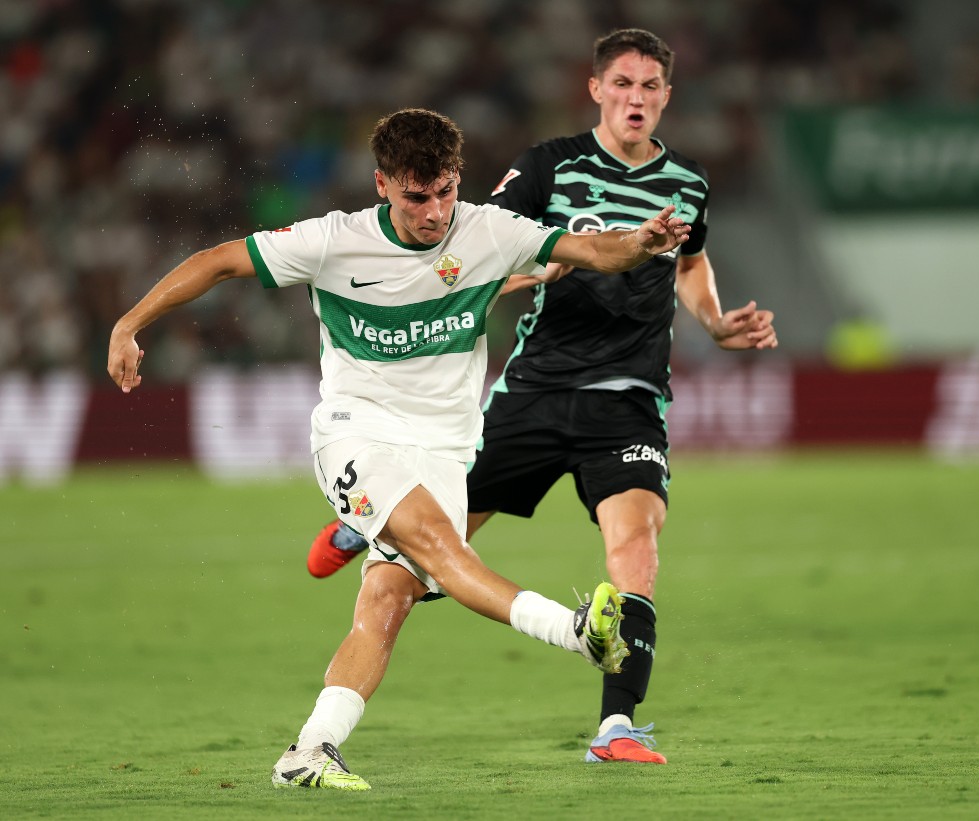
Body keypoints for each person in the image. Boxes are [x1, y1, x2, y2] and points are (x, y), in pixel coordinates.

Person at [106, 107, 694, 790]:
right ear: (383, 183)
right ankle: (577, 632)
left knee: (387, 602)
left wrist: (646, 240)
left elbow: (595, 251)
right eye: (417, 195)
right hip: (358, 431)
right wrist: (129, 322)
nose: (435, 210)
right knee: (446, 552)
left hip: (444, 449)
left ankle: (308, 750)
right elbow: (219, 262)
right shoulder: (334, 240)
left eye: (445, 190)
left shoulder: (489, 231)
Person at [309, 29, 777, 765]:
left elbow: (691, 262)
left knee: (636, 546)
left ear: (666, 98)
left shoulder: (687, 181)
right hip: (532, 389)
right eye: (622, 83)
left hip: (628, 396)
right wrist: (540, 272)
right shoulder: (548, 166)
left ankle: (615, 726)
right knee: (424, 558)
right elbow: (470, 255)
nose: (635, 98)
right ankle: (364, 524)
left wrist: (716, 321)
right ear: (596, 89)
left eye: (650, 86)